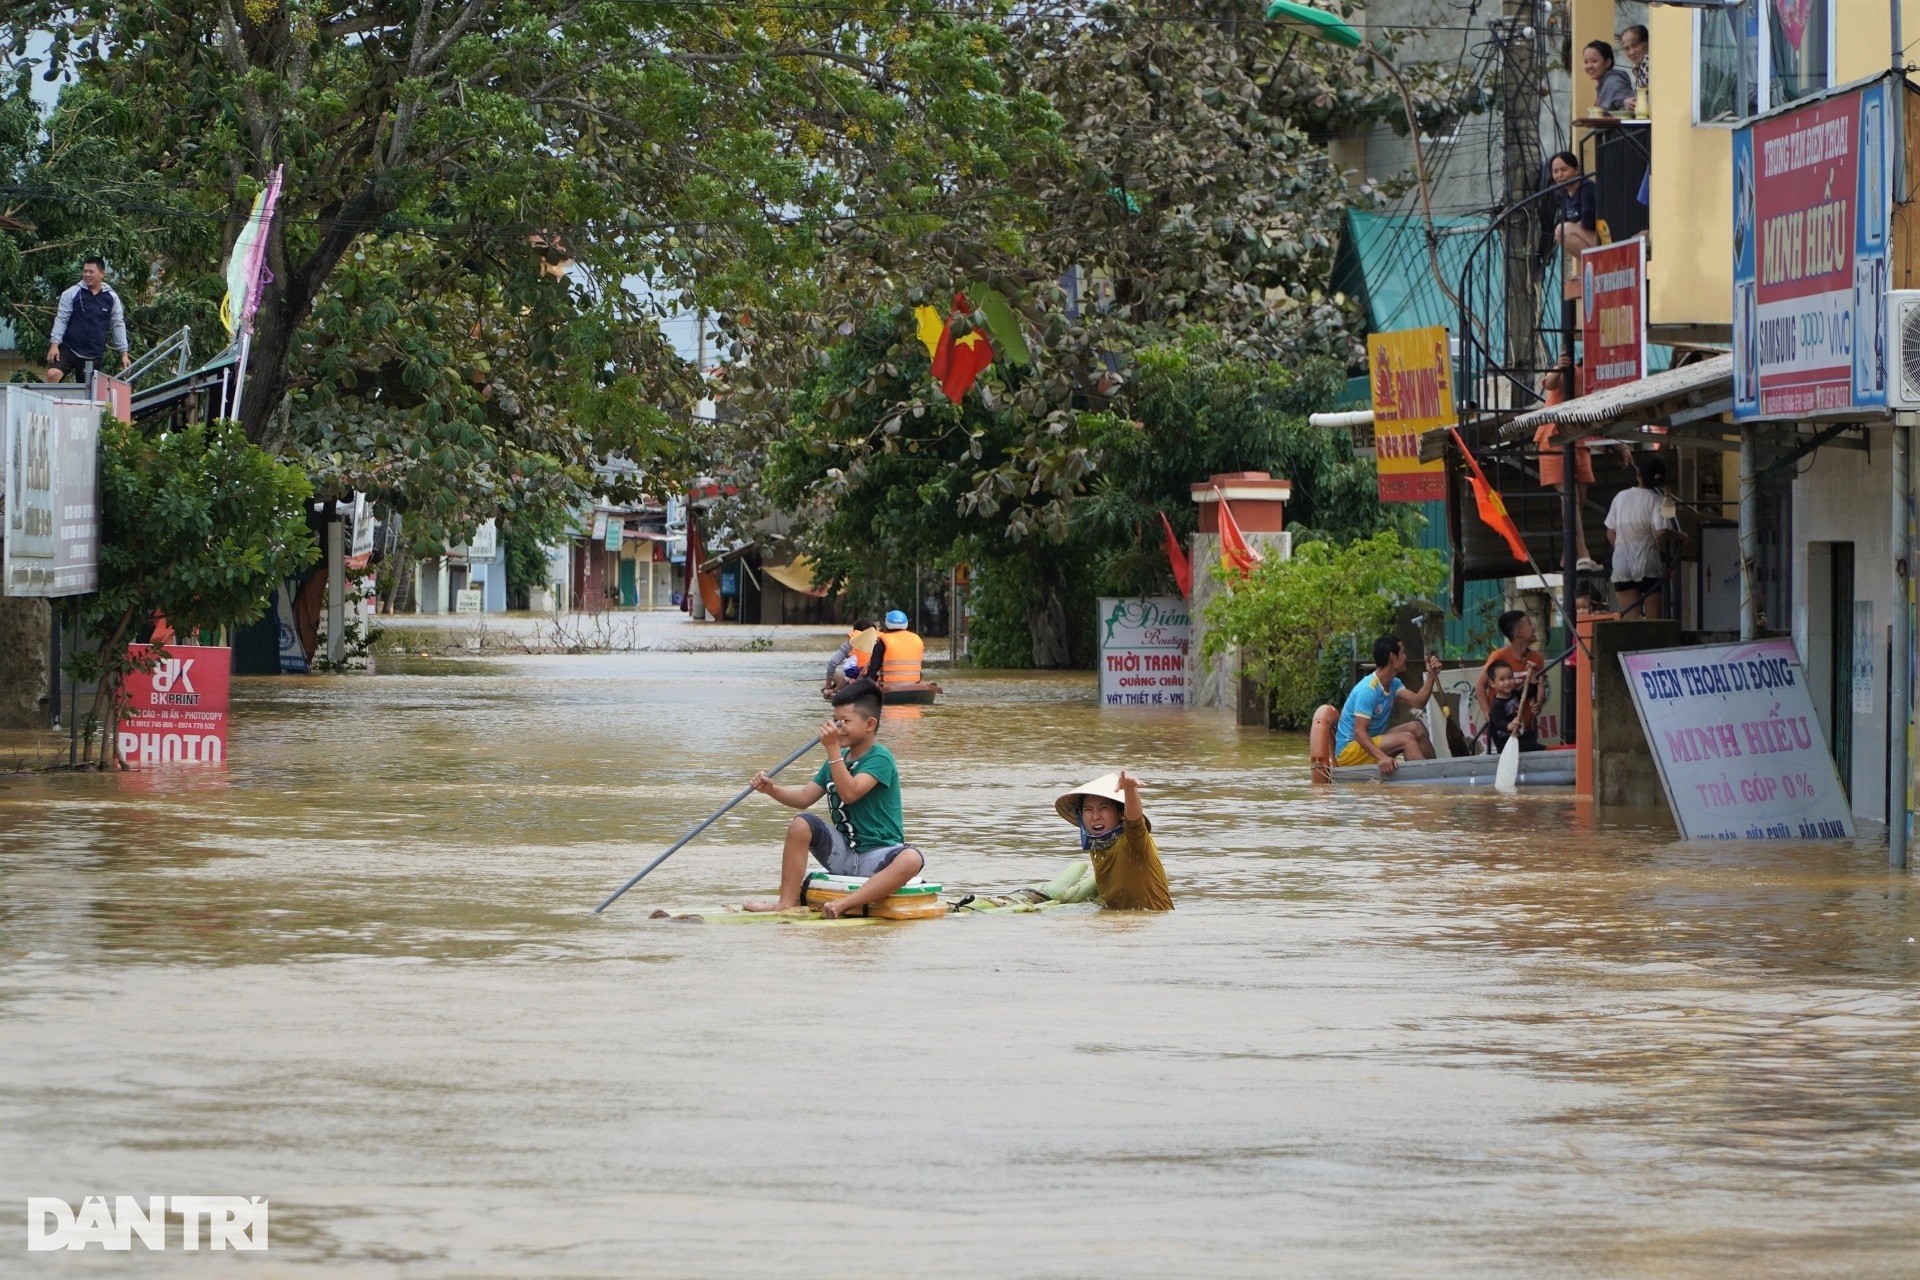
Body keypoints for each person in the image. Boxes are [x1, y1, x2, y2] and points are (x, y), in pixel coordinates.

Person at [743, 679, 924, 917]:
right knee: (801, 823)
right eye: (835, 720)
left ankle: (844, 904)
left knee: (912, 858)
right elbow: (803, 798)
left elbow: (850, 794)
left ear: (870, 724)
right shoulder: (837, 760)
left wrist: (832, 750)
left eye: (845, 721)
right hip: (844, 856)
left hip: (879, 859)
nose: (837, 727)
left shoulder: (880, 757)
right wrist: (771, 789)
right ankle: (785, 903)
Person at [1052, 770, 1171, 911]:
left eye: (1103, 808)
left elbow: (1134, 822)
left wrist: (1130, 789)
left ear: (1121, 813)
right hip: (1120, 921)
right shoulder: (1097, 846)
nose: (1095, 816)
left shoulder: (1132, 841)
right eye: (1088, 810)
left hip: (1150, 923)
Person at [1334, 635, 1442, 777]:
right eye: (1402, 652)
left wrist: (1431, 675)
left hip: (1370, 741)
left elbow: (1418, 701)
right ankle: (1425, 784)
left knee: (1416, 728)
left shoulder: (1393, 683)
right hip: (1349, 753)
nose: (1405, 657)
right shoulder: (1368, 690)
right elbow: (1359, 733)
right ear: (1392, 656)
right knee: (1406, 739)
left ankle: (1438, 773)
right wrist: (1382, 757)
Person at [1607, 452, 1680, 620]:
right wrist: (1679, 536)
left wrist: (1621, 549)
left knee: (1631, 620)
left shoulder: (1620, 497)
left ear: (1638, 474)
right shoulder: (1656, 500)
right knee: (1653, 619)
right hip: (1647, 561)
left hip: (1622, 561)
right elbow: (1661, 531)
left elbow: (1610, 533)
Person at [45, 256, 131, 383]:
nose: (87, 275)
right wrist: (54, 344)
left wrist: (124, 354)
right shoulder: (72, 293)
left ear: (102, 273)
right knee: (53, 374)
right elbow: (62, 318)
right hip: (70, 349)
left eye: (91, 272)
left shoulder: (111, 298)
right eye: (85, 271)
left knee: (87, 393)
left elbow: (117, 324)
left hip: (93, 354)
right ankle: (49, 402)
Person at [1475, 609, 1547, 722]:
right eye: (1529, 623)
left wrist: (1539, 704)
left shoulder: (1537, 659)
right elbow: (1480, 686)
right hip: (1503, 729)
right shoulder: (1498, 656)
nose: (1534, 628)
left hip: (1526, 727)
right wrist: (1487, 713)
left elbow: (1540, 687)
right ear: (1519, 632)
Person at [1483, 660, 1543, 755]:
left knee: (1535, 746)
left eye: (1510, 678)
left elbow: (1531, 691)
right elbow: (1499, 723)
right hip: (1505, 744)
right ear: (1492, 683)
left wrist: (1531, 673)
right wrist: (1510, 725)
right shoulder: (1496, 705)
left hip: (1518, 738)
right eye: (1502, 679)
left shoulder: (1514, 694)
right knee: (1538, 749)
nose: (1507, 682)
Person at [821, 618, 880, 698]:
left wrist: (828, 686)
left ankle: (834, 687)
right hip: (878, 682)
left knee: (835, 673)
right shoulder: (881, 641)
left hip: (856, 683)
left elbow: (833, 663)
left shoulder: (851, 643)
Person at [1583, 39, 1635, 115]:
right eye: (1585, 62)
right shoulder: (1604, 83)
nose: (1589, 66)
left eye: (1594, 61)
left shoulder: (1614, 83)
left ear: (1608, 62)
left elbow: (1630, 106)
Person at [877, 608, 924, 687]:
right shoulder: (917, 639)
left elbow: (873, 668)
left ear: (886, 624)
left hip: (888, 686)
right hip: (913, 685)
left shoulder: (882, 641)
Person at [1620, 24, 1650, 99]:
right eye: (1626, 48)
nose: (1631, 52)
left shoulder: (1647, 63)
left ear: (1646, 42)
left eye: (1635, 45)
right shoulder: (1640, 67)